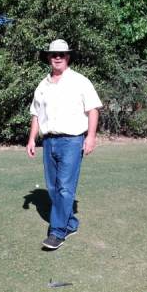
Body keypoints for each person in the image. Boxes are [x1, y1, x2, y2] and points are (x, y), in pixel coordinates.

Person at [26, 39, 102, 250]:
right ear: (48, 58)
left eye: (62, 54)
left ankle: (57, 232)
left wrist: (91, 137)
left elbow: (93, 110)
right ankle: (71, 223)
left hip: (72, 141)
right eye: (53, 54)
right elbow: (35, 115)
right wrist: (32, 139)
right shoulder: (42, 85)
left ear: (68, 57)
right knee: (53, 188)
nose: (57, 57)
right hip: (49, 142)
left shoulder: (80, 81)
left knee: (65, 189)